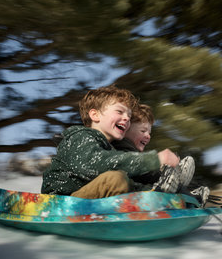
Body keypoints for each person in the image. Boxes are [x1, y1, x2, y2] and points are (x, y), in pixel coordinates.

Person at [41, 85, 183, 198]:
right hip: (62, 202)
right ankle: (153, 196)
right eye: (120, 112)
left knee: (124, 179)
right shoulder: (80, 137)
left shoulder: (111, 148)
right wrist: (153, 159)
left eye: (129, 115)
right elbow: (95, 164)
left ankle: (164, 194)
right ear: (95, 115)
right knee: (115, 179)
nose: (127, 118)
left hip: (86, 200)